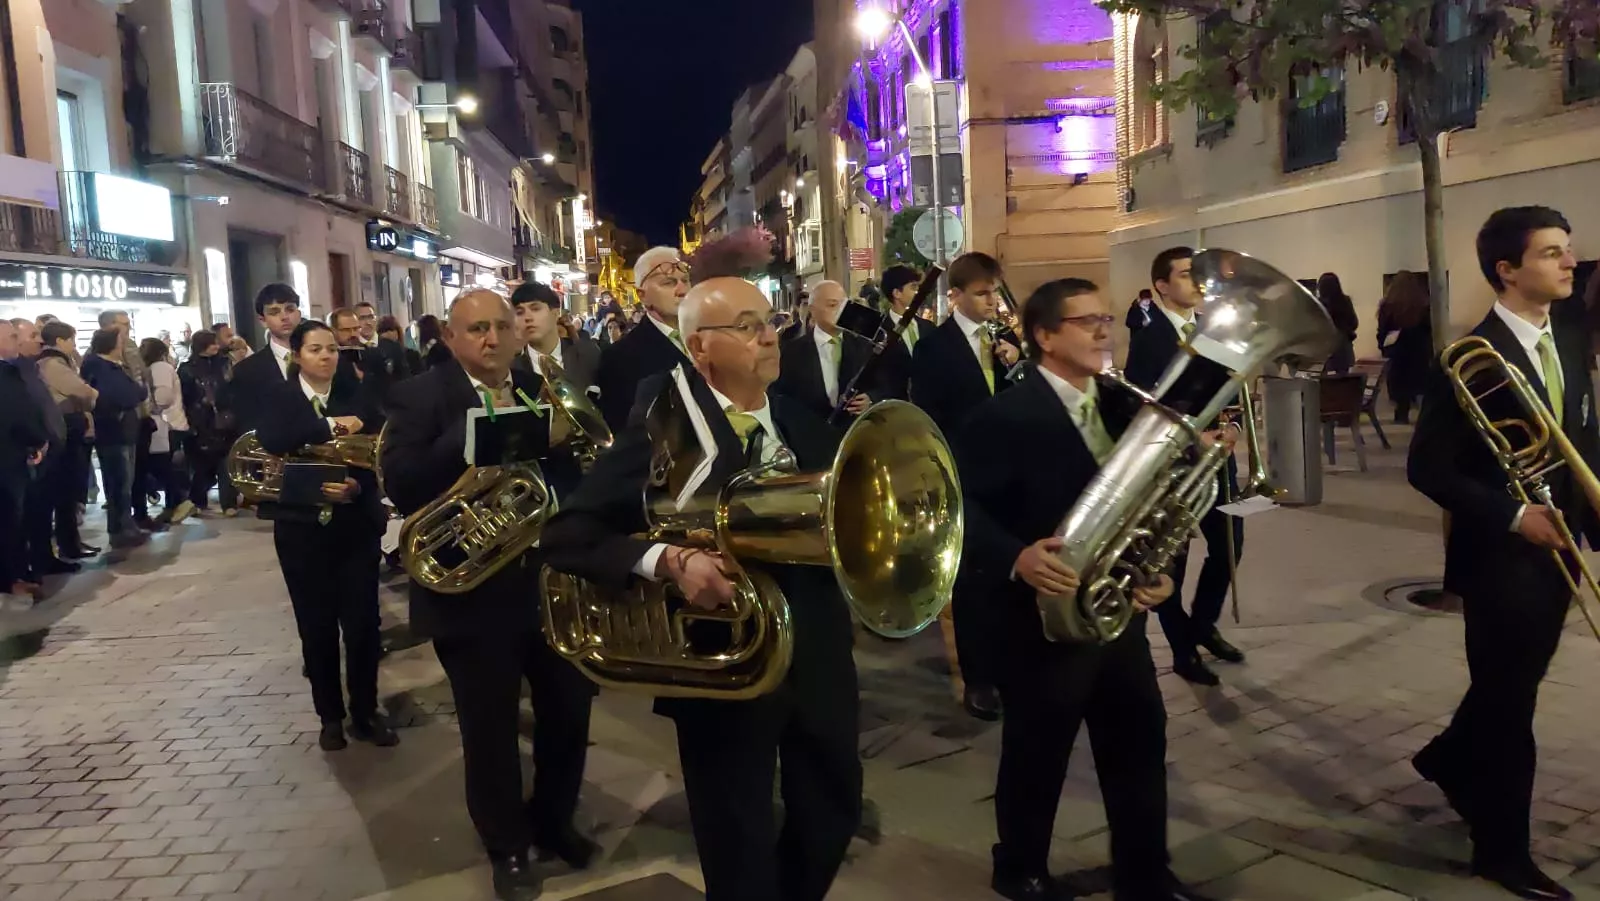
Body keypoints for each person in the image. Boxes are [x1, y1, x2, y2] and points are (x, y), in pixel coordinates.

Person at [541, 277, 862, 901]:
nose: (769, 335)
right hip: (721, 668)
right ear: (699, 348)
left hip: (817, 650)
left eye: (769, 320)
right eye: (746, 325)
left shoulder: (800, 420)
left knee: (834, 810)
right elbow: (567, 534)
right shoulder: (662, 432)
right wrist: (665, 561)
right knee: (735, 835)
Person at [960, 278, 1211, 901]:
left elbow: (1157, 504)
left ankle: (1145, 873)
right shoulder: (1002, 416)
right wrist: (1015, 557)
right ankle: (1019, 867)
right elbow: (958, 511)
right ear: (1044, 336)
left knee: (1138, 743)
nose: (1104, 330)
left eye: (1106, 318)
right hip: (1038, 619)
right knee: (1037, 751)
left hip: (1117, 612)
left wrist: (1162, 568)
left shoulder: (1125, 406)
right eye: (1086, 321)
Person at [382, 288, 597, 901]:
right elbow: (402, 481)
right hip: (470, 590)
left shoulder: (543, 385)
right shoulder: (422, 395)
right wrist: (475, 433)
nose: (493, 339)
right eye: (476, 329)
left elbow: (580, 476)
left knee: (569, 711)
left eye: (502, 326)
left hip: (550, 581)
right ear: (451, 338)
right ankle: (507, 846)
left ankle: (555, 821)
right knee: (489, 727)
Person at [1408, 206, 1593, 901]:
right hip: (1500, 558)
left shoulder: (1568, 331)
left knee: (1511, 686)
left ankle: (1448, 758)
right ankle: (1501, 851)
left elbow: (1579, 429)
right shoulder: (1464, 359)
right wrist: (1516, 515)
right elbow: (1428, 469)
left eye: (1567, 250)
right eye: (1552, 253)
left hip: (1560, 549)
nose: (1570, 262)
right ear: (1507, 270)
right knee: (1512, 710)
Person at [255, 320, 397, 751]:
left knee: (362, 627)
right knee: (315, 628)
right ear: (298, 355)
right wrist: (331, 427)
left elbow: (380, 449)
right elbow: (273, 438)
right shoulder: (280, 397)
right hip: (301, 531)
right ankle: (329, 717)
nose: (326, 356)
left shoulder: (360, 394)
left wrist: (358, 487)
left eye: (332, 349)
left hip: (353, 526)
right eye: (316, 349)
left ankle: (366, 711)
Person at [910, 251, 1023, 721]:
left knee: (1012, 576)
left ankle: (1013, 665)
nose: (991, 301)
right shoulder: (934, 347)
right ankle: (978, 679)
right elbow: (931, 417)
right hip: (965, 473)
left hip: (1013, 472)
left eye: (995, 292)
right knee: (974, 581)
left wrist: (1016, 364)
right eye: (981, 293)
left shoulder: (1007, 338)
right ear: (954, 296)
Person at [1124, 246, 1242, 687]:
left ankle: (1202, 625)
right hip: (1175, 466)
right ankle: (1182, 649)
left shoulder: (1209, 330)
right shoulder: (1149, 338)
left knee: (1231, 544)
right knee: (1172, 557)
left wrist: (1231, 426)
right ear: (1162, 285)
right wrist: (1195, 437)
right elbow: (1146, 408)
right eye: (1186, 274)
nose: (1196, 282)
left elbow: (1225, 390)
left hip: (1216, 462)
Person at [593, 246, 692, 429]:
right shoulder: (619, 358)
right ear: (642, 295)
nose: (682, 290)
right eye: (669, 282)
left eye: (685, 280)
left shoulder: (712, 338)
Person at [36, 321, 99, 559]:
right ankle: (68, 544)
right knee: (66, 491)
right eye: (71, 339)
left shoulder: (62, 362)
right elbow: (82, 390)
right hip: (66, 430)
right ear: (61, 341)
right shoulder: (52, 364)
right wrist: (92, 394)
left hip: (71, 429)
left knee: (70, 491)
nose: (74, 345)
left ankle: (72, 542)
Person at [775, 279, 878, 420]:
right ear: (812, 310)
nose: (841, 311)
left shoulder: (865, 346)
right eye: (833, 305)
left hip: (857, 432)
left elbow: (885, 385)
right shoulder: (791, 352)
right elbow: (781, 397)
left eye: (844, 305)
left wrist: (871, 399)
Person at [0, 320, 50, 598]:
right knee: (9, 521)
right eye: (12, 336)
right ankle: (11, 580)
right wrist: (36, 440)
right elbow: (18, 413)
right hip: (7, 458)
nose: (17, 342)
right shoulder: (6, 373)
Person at [224, 283, 303, 435]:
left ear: (298, 313)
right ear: (263, 320)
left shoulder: (326, 358)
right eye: (274, 312)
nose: (284, 317)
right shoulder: (246, 371)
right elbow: (247, 424)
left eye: (290, 309)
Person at [178, 331, 239, 515]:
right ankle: (197, 501)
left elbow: (232, 388)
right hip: (200, 421)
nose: (216, 346)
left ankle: (229, 503)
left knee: (226, 462)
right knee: (201, 464)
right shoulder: (187, 369)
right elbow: (184, 397)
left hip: (225, 419)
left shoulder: (224, 364)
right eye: (211, 343)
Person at [511, 281, 601, 393]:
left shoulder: (589, 354)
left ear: (556, 313)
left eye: (535, 309)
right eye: (519, 312)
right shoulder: (510, 370)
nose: (527, 317)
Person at [1377, 271, 1433, 425]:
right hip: (1418, 350)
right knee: (1419, 385)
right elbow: (1430, 329)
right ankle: (1424, 416)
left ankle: (1401, 414)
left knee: (1400, 386)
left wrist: (1383, 347)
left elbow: (1382, 331)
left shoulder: (1387, 305)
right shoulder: (1423, 304)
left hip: (1397, 352)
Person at [877, 264, 931, 399]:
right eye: (913, 287)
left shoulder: (928, 327)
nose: (918, 292)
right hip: (896, 407)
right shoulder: (879, 330)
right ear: (897, 293)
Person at [1317, 272, 1359, 374]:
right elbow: (1354, 323)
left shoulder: (1319, 305)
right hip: (1344, 349)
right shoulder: (1345, 301)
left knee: (1327, 384)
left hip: (1325, 350)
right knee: (1346, 383)